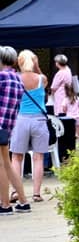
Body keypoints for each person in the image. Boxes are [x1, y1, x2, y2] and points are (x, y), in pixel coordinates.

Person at [10, 50, 48, 204]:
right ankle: (36, 194)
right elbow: (44, 80)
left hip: (21, 119)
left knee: (17, 157)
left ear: (19, 62)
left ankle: (16, 191)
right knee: (38, 158)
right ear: (34, 62)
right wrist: (37, 67)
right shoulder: (41, 79)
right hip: (39, 120)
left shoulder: (15, 79)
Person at [0, 46, 30, 215]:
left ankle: (5, 205)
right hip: (8, 127)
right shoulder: (18, 78)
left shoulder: (1, 77)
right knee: (8, 165)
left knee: (1, 166)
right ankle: (24, 202)